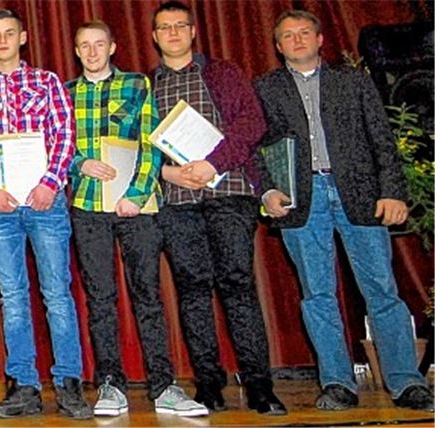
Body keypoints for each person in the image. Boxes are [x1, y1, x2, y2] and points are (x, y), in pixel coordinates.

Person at [254, 9, 435, 412]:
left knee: (382, 290)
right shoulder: (265, 88)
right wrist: (266, 191)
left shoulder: (353, 81)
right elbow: (257, 149)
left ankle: (407, 381)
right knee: (317, 295)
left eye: (305, 33)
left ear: (320, 40)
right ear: (278, 45)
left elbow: (381, 138)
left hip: (359, 193)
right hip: (300, 200)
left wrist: (392, 191)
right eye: (288, 35)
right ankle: (337, 383)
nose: (297, 40)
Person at [148, 0, 285, 415]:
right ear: (154, 37)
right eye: (164, 27)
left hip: (229, 193)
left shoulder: (222, 73)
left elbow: (251, 123)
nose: (172, 33)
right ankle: (208, 384)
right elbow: (138, 147)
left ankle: (260, 385)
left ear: (193, 31)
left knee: (238, 286)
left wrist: (213, 163)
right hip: (177, 200)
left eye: (179, 26)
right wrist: (166, 175)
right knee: (191, 291)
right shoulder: (146, 85)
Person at [64, 20, 207, 417]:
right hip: (89, 207)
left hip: (136, 208)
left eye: (99, 44)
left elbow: (150, 143)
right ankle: (110, 384)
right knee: (101, 299)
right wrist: (80, 164)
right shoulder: (66, 93)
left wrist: (137, 194)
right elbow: (57, 146)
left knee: (148, 296)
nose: (92, 52)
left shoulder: (137, 85)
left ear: (112, 48)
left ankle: (164, 385)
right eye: (84, 46)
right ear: (77, 52)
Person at [0, 8, 90, 420]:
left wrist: (50, 183)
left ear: (22, 38)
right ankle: (23, 384)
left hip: (46, 203)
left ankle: (69, 383)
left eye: (9, 33)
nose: (2, 40)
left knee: (57, 294)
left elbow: (65, 135)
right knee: (13, 297)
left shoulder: (47, 81)